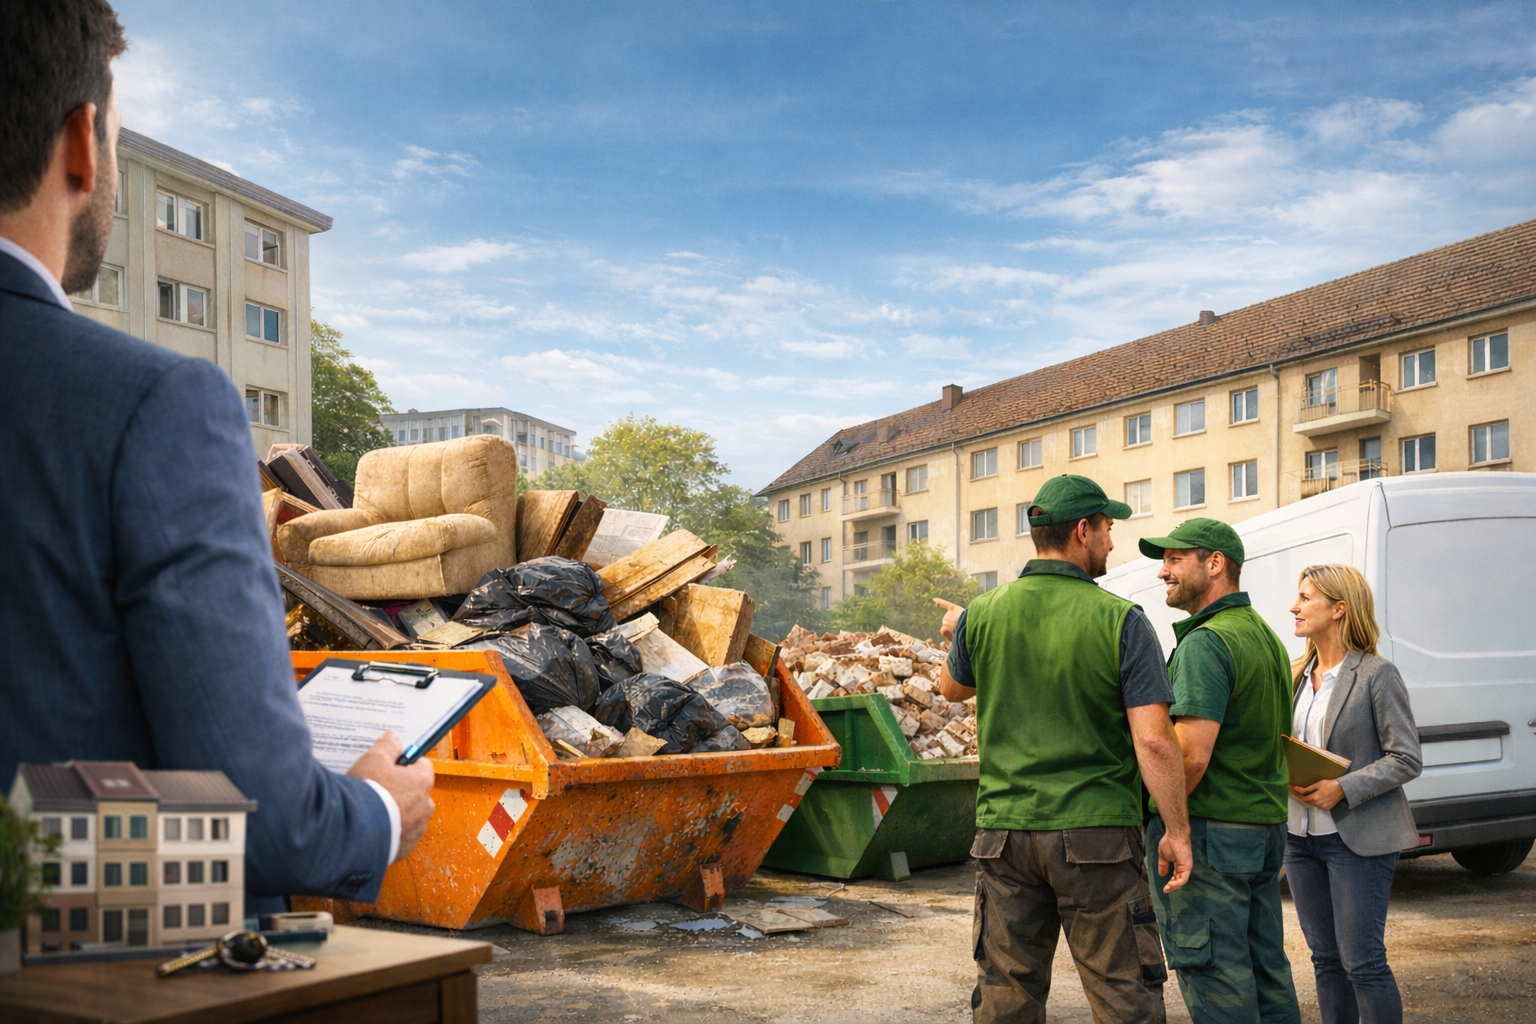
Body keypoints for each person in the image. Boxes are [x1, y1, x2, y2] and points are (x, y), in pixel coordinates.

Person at [0, 0, 433, 917]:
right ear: (82, 143)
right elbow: (262, 824)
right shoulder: (151, 407)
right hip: (86, 975)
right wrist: (375, 814)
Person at [938, 473, 1193, 1024]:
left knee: (1006, 994)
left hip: (1003, 837)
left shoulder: (984, 613)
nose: (1111, 541)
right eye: (1106, 528)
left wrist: (959, 631)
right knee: (1124, 992)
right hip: (1096, 836)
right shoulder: (1121, 620)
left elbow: (952, 689)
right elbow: (1153, 739)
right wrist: (1177, 831)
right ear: (1082, 531)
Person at [1138, 519, 1300, 1024]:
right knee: (1265, 969)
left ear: (1215, 564)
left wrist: (1172, 827)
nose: (1163, 571)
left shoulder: (1208, 642)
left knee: (1215, 976)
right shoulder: (1264, 636)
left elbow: (1190, 755)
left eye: (1174, 559)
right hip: (1260, 830)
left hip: (1211, 836)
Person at [1285, 564, 1421, 1024]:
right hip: (1298, 840)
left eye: (1306, 598)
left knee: (1362, 963)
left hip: (1356, 842)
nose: (1294, 606)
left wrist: (1341, 787)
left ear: (1339, 608)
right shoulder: (1296, 673)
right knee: (1325, 960)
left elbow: (1406, 758)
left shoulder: (1377, 675)